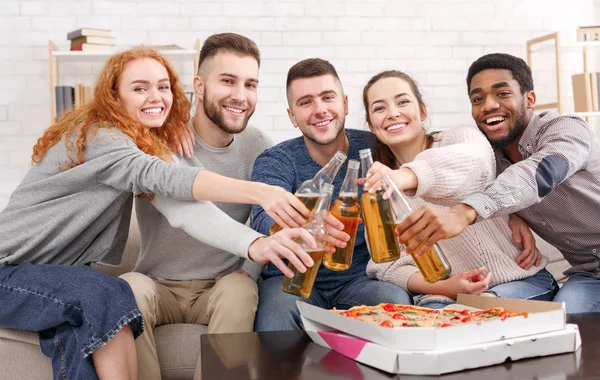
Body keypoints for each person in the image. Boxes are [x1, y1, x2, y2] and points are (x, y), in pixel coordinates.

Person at [0, 47, 311, 380]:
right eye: (139, 88)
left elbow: (185, 211)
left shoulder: (141, 143)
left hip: (51, 276)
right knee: (106, 294)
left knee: (80, 336)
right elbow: (168, 177)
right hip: (11, 271)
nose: (156, 96)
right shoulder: (101, 138)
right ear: (114, 97)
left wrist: (256, 247)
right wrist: (260, 192)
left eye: (163, 87)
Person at [120, 33, 323, 380]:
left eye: (250, 84)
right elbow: (189, 212)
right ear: (199, 86)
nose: (240, 96)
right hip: (158, 285)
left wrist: (251, 267)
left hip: (220, 286)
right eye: (227, 81)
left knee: (241, 288)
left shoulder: (260, 146)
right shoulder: (157, 140)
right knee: (127, 287)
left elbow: (270, 221)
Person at [393, 53, 600, 313]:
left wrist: (466, 211)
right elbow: (465, 167)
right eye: (478, 99)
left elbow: (543, 172)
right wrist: (514, 215)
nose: (489, 105)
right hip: (590, 275)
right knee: (562, 320)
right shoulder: (489, 157)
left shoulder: (568, 129)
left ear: (530, 99)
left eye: (502, 93)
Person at [361, 70, 558, 308]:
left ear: (423, 111)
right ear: (371, 125)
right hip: (447, 295)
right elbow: (386, 265)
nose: (393, 113)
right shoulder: (380, 190)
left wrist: (405, 177)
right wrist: (443, 287)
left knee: (480, 310)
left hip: (521, 279)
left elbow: (476, 163)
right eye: (380, 108)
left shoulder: (460, 137)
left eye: (403, 102)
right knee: (430, 323)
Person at [251, 58, 413, 332]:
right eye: (305, 102)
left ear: (345, 104)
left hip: (363, 281)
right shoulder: (276, 160)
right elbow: (263, 221)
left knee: (396, 303)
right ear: (292, 116)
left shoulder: (376, 147)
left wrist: (513, 215)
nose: (320, 109)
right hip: (290, 280)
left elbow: (431, 160)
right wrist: (308, 225)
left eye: (328, 97)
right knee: (274, 326)